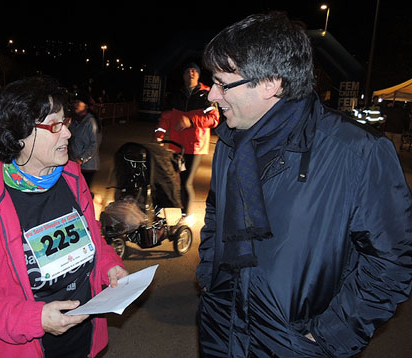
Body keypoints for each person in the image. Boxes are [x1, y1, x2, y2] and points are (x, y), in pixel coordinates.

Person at [196, 12, 412, 358]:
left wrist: (327, 335)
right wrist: (210, 274)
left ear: (270, 83)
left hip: (294, 344)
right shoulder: (230, 142)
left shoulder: (356, 152)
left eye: (222, 82)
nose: (211, 95)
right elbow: (217, 212)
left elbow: (390, 263)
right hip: (222, 330)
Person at [0, 76, 128, 358]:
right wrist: (34, 318)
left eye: (65, 122)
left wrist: (108, 266)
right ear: (19, 136)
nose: (67, 133)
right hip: (25, 347)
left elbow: (91, 241)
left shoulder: (73, 179)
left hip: (82, 340)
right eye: (55, 125)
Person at [154, 62, 220, 217]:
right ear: (183, 76)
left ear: (198, 75)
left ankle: (187, 215)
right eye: (187, 71)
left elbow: (214, 119)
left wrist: (191, 122)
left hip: (195, 147)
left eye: (194, 71)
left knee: (186, 182)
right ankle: (171, 210)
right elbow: (166, 118)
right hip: (176, 147)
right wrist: (159, 136)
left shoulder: (207, 95)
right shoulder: (176, 95)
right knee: (173, 180)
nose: (191, 73)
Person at [68, 98, 102, 192]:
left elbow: (94, 144)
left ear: (85, 108)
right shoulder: (74, 122)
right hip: (75, 164)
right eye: (74, 104)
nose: (74, 106)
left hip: (87, 166)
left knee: (83, 191)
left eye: (77, 105)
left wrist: (82, 159)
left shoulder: (91, 122)